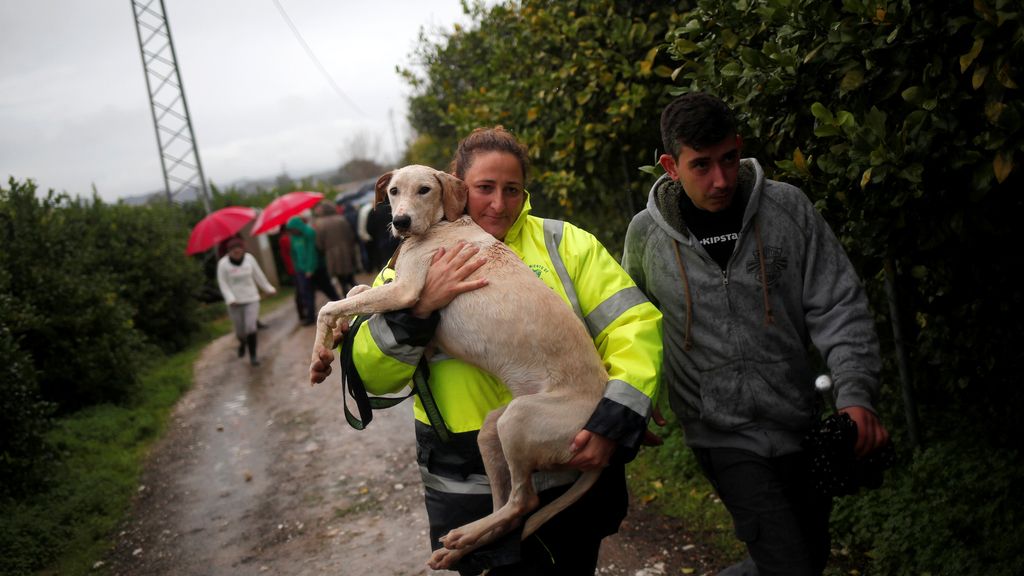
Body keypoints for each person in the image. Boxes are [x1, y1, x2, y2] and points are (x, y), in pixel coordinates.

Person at [311, 127, 663, 575]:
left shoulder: (566, 243)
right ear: (458, 188)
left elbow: (634, 327)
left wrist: (621, 413)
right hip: (465, 484)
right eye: (485, 188)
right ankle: (509, 510)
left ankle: (516, 506)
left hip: (576, 455)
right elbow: (372, 375)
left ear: (442, 189)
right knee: (499, 427)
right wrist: (417, 311)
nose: (499, 203)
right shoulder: (409, 259)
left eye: (512, 189)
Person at [622, 92, 890, 576]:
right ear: (670, 165)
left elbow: (837, 303)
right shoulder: (646, 234)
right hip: (718, 431)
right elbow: (631, 327)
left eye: (728, 159)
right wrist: (631, 402)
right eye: (700, 165)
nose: (720, 179)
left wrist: (855, 394)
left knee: (806, 556)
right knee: (789, 564)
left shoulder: (787, 209)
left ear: (739, 147)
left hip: (798, 420)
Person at [216, 236, 276, 366]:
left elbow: (258, 275)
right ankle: (242, 343)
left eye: (239, 248)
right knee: (240, 332)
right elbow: (223, 284)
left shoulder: (249, 259)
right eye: (233, 249)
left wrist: (268, 288)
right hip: (234, 303)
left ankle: (253, 356)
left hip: (251, 299)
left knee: (251, 327)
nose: (237, 251)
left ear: (243, 249)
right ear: (229, 251)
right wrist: (230, 298)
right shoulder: (223, 264)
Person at [285, 215, 340, 325]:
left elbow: (312, 252)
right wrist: (298, 268)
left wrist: (310, 268)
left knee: (328, 288)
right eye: (290, 230)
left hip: (317, 268)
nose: (292, 232)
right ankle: (310, 317)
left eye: (293, 229)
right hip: (302, 270)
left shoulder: (309, 233)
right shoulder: (294, 237)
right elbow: (293, 253)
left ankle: (339, 307)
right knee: (307, 294)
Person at [313, 201, 359, 295]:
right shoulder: (341, 219)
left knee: (341, 280)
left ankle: (346, 297)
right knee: (351, 277)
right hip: (346, 250)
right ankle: (359, 294)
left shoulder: (319, 223)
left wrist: (323, 250)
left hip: (331, 254)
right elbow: (350, 236)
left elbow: (319, 243)